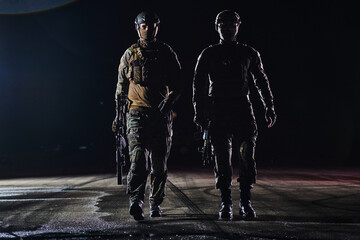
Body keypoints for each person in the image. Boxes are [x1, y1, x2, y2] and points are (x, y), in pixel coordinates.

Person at [192, 10, 276, 220]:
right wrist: (199, 112)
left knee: (247, 157)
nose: (227, 28)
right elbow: (198, 85)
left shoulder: (248, 53)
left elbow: (261, 81)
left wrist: (269, 106)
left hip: (242, 110)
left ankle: (246, 202)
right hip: (218, 111)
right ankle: (226, 203)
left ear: (238, 26)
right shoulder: (209, 54)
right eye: (223, 24)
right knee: (222, 161)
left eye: (231, 24)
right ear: (216, 27)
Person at [113, 11, 182, 221]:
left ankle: (155, 202)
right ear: (138, 27)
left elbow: (178, 84)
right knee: (138, 158)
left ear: (157, 27)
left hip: (160, 116)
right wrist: (118, 116)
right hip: (136, 114)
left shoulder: (166, 52)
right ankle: (136, 200)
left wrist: (169, 101)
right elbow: (121, 89)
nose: (148, 29)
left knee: (159, 164)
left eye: (152, 26)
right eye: (144, 26)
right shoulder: (130, 54)